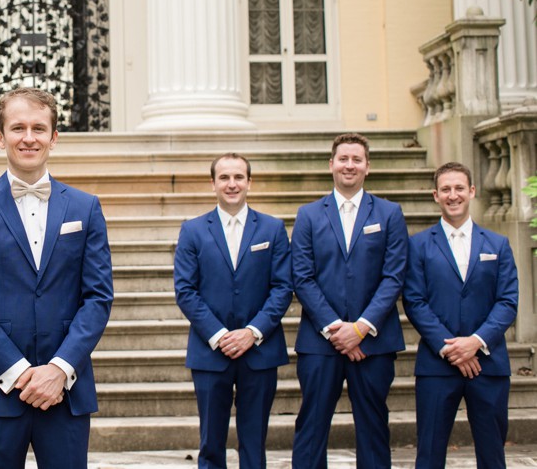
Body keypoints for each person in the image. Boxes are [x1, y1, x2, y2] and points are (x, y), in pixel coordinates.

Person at [0, 87, 114, 468]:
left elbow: (98, 297)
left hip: (65, 391)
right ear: (0, 137)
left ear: (54, 138)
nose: (29, 137)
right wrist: (19, 372)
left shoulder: (86, 208)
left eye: (39, 128)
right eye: (18, 127)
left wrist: (59, 369)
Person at [290, 133, 408, 469]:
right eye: (344, 158)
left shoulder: (389, 213)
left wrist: (360, 329)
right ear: (331, 165)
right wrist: (335, 329)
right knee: (311, 426)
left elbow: (394, 277)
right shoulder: (309, 215)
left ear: (367, 167)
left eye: (357, 159)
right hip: (319, 341)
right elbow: (303, 277)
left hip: (374, 341)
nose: (350, 165)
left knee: (373, 427)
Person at [174, 153, 292, 469]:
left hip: (260, 351)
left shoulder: (272, 228)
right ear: (213, 183)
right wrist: (219, 335)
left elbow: (282, 288)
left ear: (249, 182)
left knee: (254, 440)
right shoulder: (193, 230)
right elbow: (185, 291)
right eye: (224, 177)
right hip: (210, 351)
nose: (232, 184)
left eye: (239, 177)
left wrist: (252, 333)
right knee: (211, 441)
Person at [403, 162, 518, 469]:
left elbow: (507, 302)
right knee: (429, 454)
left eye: (458, 188)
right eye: (445, 189)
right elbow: (414, 301)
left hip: (488, 364)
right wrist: (452, 348)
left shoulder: (498, 244)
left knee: (493, 455)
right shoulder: (417, 245)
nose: (452, 195)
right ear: (435, 195)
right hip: (437, 366)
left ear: (472, 191)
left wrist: (476, 342)